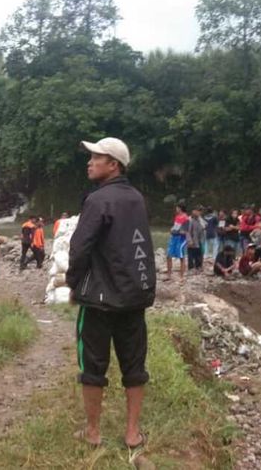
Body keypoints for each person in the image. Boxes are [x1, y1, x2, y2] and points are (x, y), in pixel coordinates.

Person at [66, 137, 155, 454]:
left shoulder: (98, 200)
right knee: (134, 366)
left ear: (113, 164)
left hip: (100, 300)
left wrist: (73, 284)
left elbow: (79, 248)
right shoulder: (136, 199)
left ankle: (92, 432)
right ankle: (132, 433)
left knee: (93, 366)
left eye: (96, 157)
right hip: (134, 298)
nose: (89, 162)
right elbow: (140, 248)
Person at [166, 204, 189, 279]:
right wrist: (172, 229)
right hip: (173, 237)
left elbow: (185, 231)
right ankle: (169, 275)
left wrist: (177, 231)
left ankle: (181, 276)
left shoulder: (186, 218)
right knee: (168, 255)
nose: (176, 209)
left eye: (177, 208)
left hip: (181, 239)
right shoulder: (177, 217)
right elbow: (175, 226)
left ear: (180, 208)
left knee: (181, 257)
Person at [186, 207, 205, 274]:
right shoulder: (190, 220)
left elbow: (204, 227)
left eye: (200, 211)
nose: (198, 213)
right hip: (191, 240)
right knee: (190, 255)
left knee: (198, 254)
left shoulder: (200, 220)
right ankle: (191, 268)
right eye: (197, 211)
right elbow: (188, 231)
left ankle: (198, 267)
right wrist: (189, 240)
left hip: (199, 240)